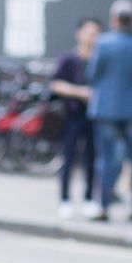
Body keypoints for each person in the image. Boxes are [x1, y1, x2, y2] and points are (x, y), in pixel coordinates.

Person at [87, 0, 132, 222]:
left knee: (106, 158)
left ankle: (103, 207)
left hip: (106, 109)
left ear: (114, 19)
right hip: (131, 107)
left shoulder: (103, 43)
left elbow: (93, 74)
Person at [50, 18, 101, 220]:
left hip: (95, 116)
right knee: (68, 157)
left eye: (95, 33)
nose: (91, 38)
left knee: (92, 158)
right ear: (79, 34)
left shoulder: (99, 59)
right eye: (88, 33)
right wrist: (80, 92)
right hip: (72, 115)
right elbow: (55, 84)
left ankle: (89, 198)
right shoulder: (69, 59)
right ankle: (65, 199)